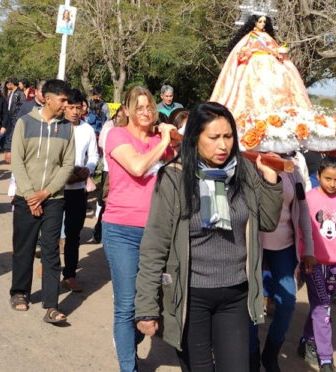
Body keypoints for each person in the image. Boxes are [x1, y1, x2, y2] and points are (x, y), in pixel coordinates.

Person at [134, 101, 282, 372]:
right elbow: (154, 246)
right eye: (213, 138)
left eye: (228, 137)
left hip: (236, 294)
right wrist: (146, 306)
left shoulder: (245, 172)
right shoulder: (174, 179)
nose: (223, 145)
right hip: (191, 296)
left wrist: (271, 182)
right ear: (195, 139)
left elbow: (269, 223)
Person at [101, 86, 176, 372]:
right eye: (139, 107)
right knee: (127, 305)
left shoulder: (162, 140)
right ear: (129, 110)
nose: (145, 113)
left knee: (151, 302)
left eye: (149, 107)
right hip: (121, 229)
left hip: (157, 232)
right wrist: (164, 142)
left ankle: (126, 347)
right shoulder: (116, 135)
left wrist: (172, 140)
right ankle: (127, 367)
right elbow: (136, 167)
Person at [8, 79, 75, 324]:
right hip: (26, 197)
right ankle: (19, 292)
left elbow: (67, 164)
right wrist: (30, 195)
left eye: (68, 101)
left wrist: (46, 193)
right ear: (48, 98)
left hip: (53, 199)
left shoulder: (67, 128)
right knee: (24, 247)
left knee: (50, 251)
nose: (66, 105)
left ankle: (51, 305)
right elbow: (17, 161)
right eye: (63, 100)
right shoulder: (25, 123)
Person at [249, 151, 315, 372]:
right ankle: (251, 354)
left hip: (285, 245)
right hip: (254, 244)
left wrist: (310, 249)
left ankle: (271, 353)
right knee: (250, 302)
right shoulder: (252, 161)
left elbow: (303, 208)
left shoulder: (293, 167)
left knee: (287, 304)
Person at [297, 156, 336, 371]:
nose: (332, 183)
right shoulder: (309, 199)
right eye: (328, 178)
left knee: (321, 306)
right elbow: (302, 231)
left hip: (335, 266)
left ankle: (306, 340)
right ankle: (326, 358)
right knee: (323, 308)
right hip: (313, 263)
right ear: (318, 176)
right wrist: (303, 257)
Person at [210, 14, 312, 121]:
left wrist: (280, 50)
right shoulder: (251, 36)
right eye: (260, 21)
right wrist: (245, 52)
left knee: (276, 86)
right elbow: (243, 50)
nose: (262, 24)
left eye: (264, 22)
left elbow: (273, 49)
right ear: (254, 22)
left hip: (271, 65)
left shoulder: (267, 36)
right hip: (254, 65)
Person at [59, 89, 98, 292]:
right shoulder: (56, 128)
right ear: (64, 106)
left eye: (78, 107)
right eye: (71, 107)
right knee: (52, 231)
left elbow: (93, 156)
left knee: (74, 235)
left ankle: (70, 275)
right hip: (56, 189)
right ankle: (48, 266)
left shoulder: (88, 130)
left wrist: (86, 170)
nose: (75, 111)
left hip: (78, 189)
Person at [91, 111, 118, 243]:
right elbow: (102, 144)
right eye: (118, 117)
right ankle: (99, 228)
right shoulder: (109, 128)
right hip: (109, 169)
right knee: (106, 200)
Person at [6, 79, 46, 164]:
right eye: (42, 92)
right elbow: (17, 127)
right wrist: (9, 148)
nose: (44, 95)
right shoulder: (27, 107)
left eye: (47, 93)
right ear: (35, 91)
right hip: (27, 149)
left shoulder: (51, 109)